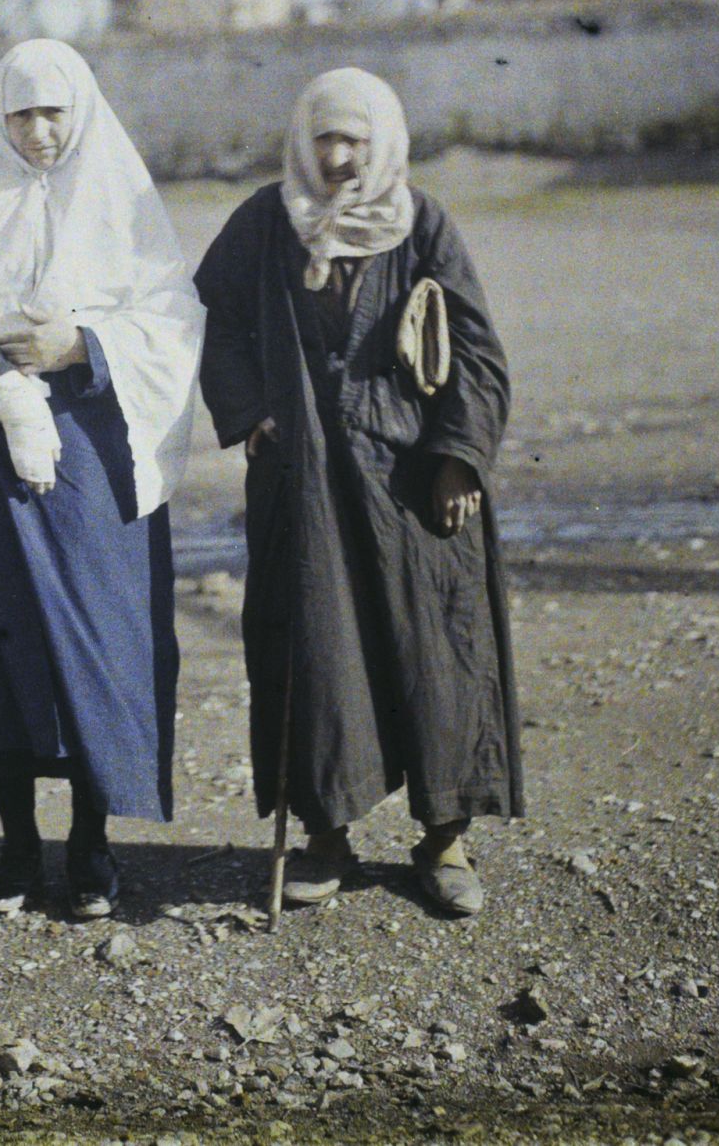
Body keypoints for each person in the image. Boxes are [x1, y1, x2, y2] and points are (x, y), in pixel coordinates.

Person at [0, 39, 204, 920]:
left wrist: (80, 346)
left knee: (95, 636)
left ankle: (90, 839)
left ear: (82, 112)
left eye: (54, 110)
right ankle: (17, 843)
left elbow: (171, 316)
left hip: (94, 454)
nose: (39, 129)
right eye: (21, 112)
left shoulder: (121, 197)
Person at [192, 68, 521, 918]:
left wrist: (458, 457)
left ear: (383, 144)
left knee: (435, 653)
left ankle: (446, 836)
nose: (338, 158)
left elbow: (478, 355)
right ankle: (327, 830)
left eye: (355, 141)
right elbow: (210, 319)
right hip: (304, 478)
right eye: (324, 139)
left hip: (413, 481)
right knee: (316, 648)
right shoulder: (267, 221)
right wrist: (249, 413)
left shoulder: (422, 223)